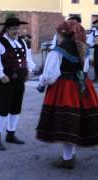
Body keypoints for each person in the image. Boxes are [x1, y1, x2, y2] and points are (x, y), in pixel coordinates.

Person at [36, 20, 98, 169]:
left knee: (66, 123)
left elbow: (50, 75)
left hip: (65, 89)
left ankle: (67, 159)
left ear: (61, 33)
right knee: (75, 122)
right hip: (82, 86)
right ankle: (70, 155)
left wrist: (41, 84)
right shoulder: (83, 48)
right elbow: (85, 68)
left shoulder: (58, 51)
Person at [0, 17, 35, 151]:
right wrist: (0, 75)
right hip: (5, 81)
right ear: (7, 29)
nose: (16, 31)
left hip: (20, 80)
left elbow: (27, 58)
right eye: (14, 29)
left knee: (16, 107)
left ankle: (11, 134)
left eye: (17, 29)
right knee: (4, 108)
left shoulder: (22, 42)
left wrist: (28, 71)